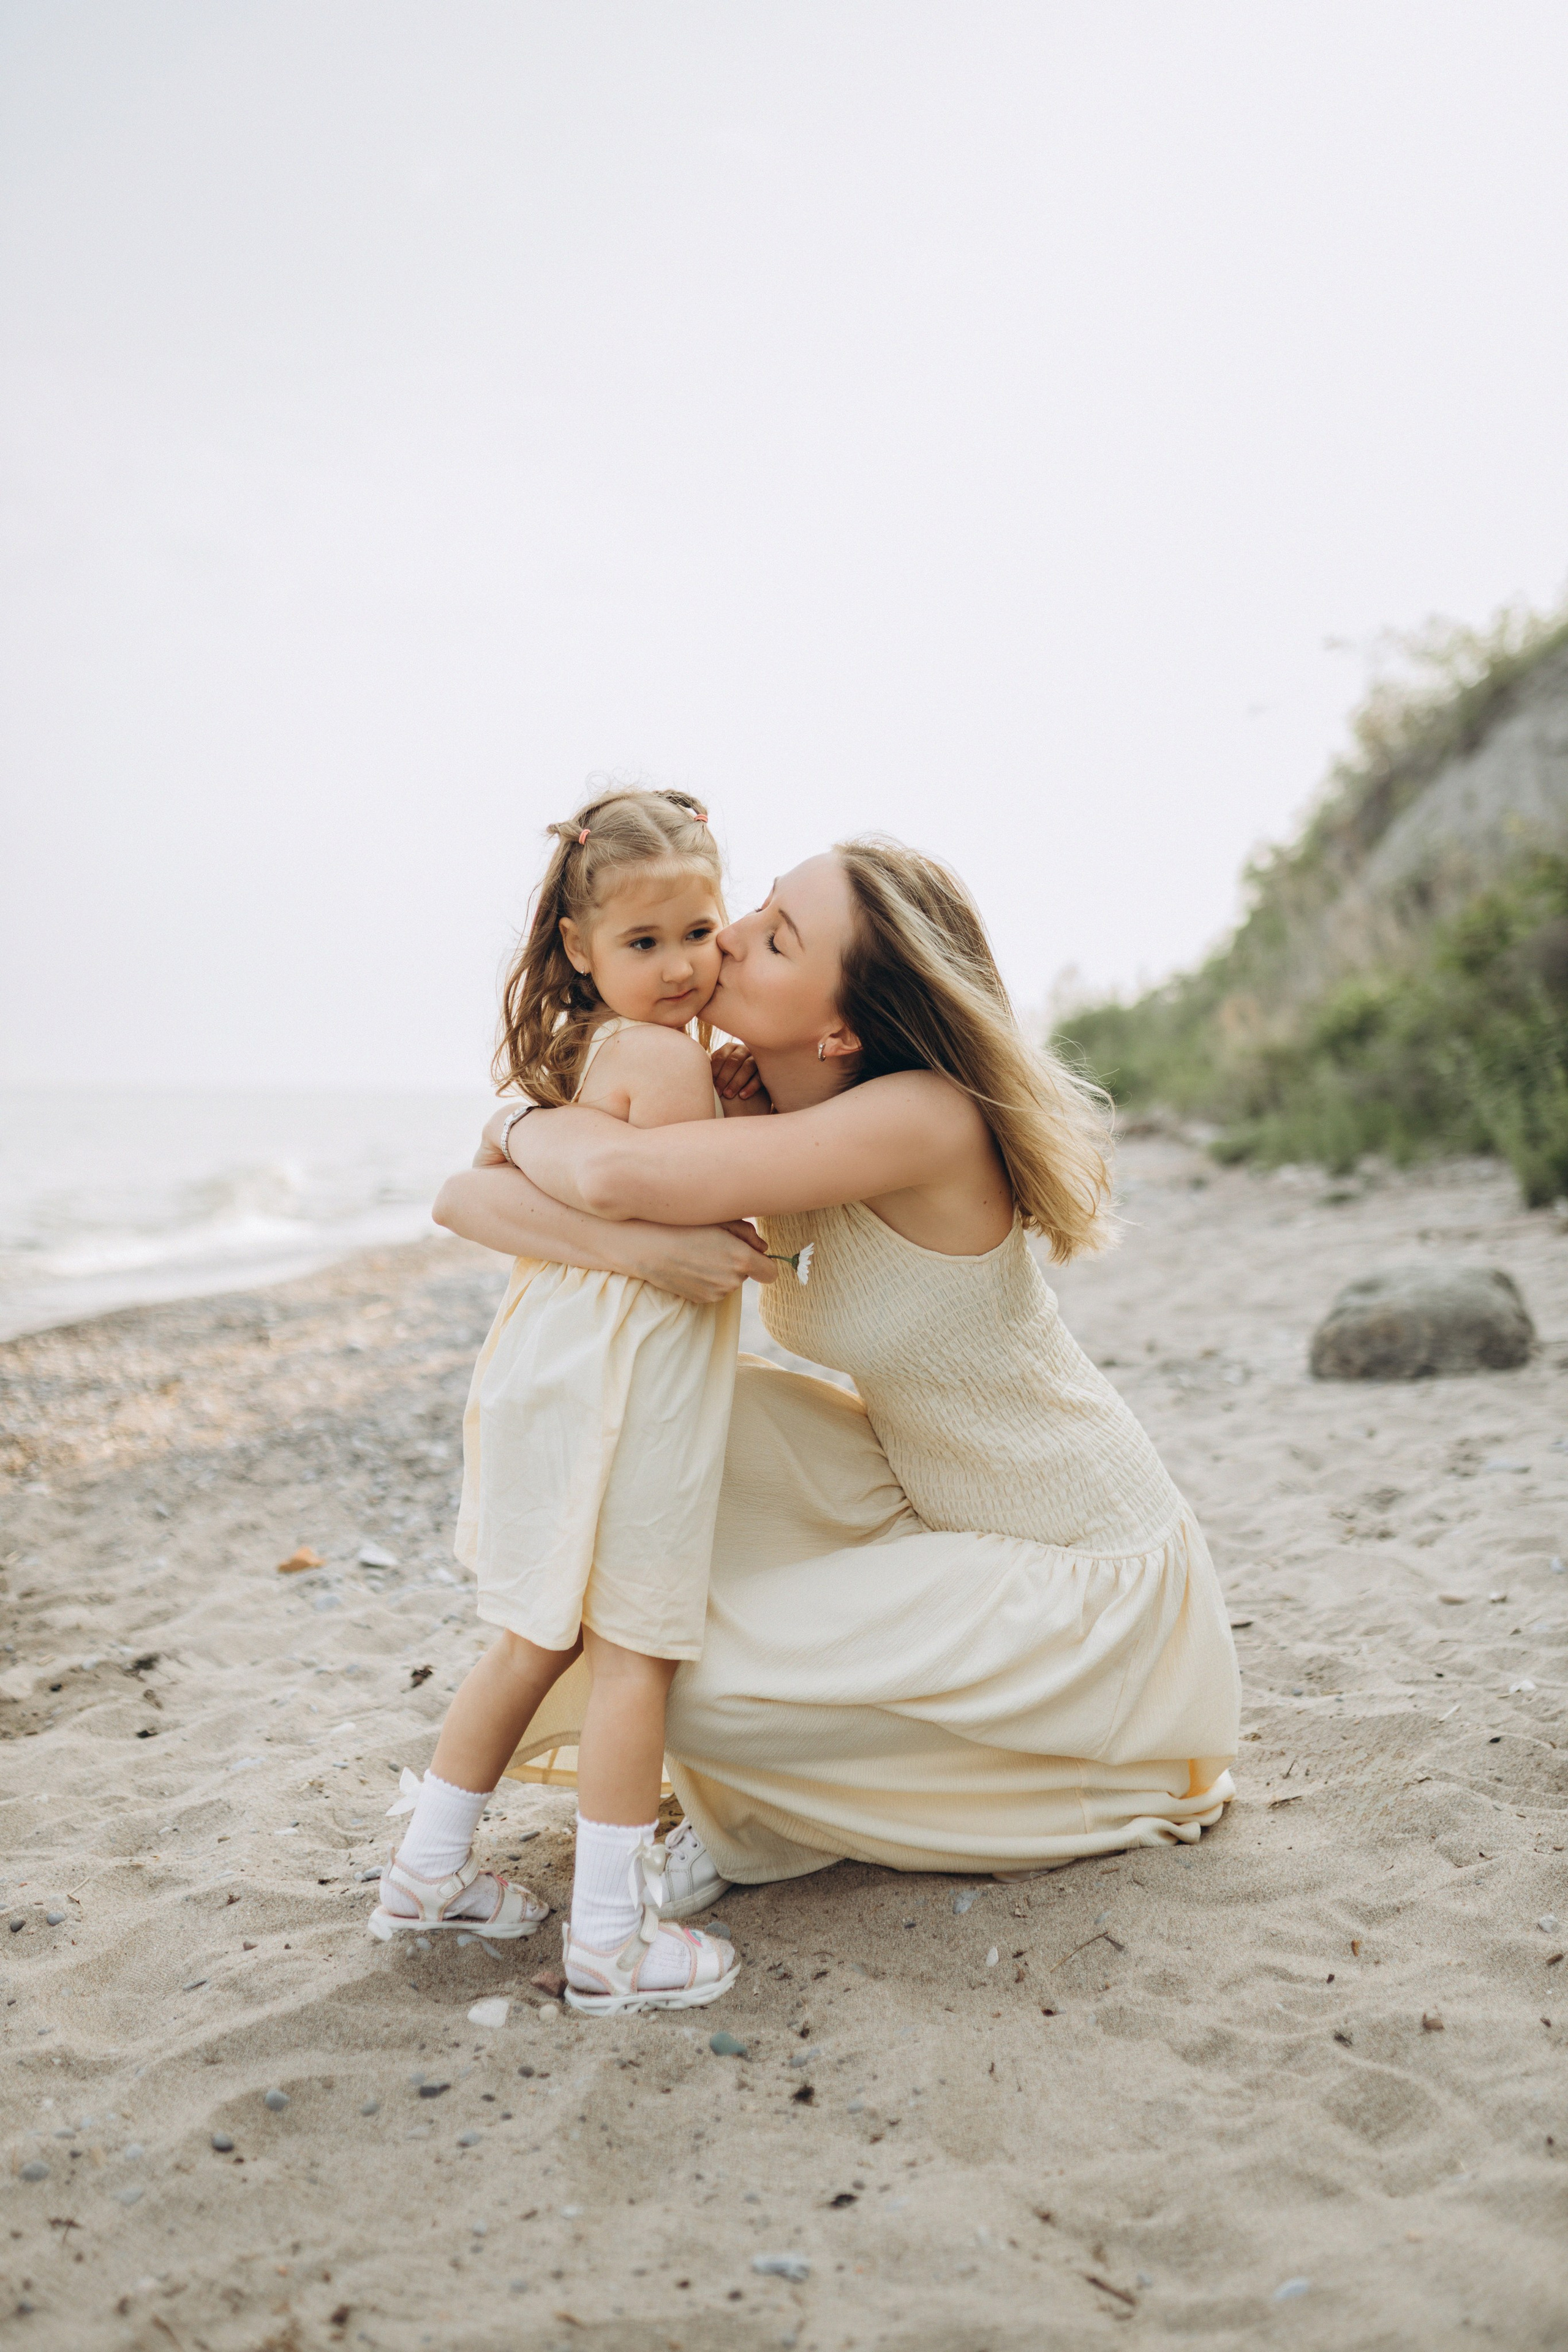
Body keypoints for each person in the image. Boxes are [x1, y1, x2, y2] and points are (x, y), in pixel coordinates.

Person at [434, 835, 1240, 1917]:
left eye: (774, 937)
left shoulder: (916, 1117)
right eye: (757, 908)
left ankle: (794, 1814)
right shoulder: (762, 1107)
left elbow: (613, 1173)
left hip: (1078, 1567)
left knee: (682, 1682)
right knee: (662, 1441)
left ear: (843, 1025)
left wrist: (516, 1121)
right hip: (927, 1504)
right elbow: (466, 1203)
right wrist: (635, 1243)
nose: (726, 938)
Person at [371, 787, 744, 2016]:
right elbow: (691, 1213)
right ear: (581, 947)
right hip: (631, 1375)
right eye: (644, 943)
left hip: (549, 1355)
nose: (683, 965)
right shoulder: (659, 1063)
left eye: (700, 932)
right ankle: (610, 1938)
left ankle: (426, 1874)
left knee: (534, 1633)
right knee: (636, 1648)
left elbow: (531, 1188)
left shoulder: (570, 1056)